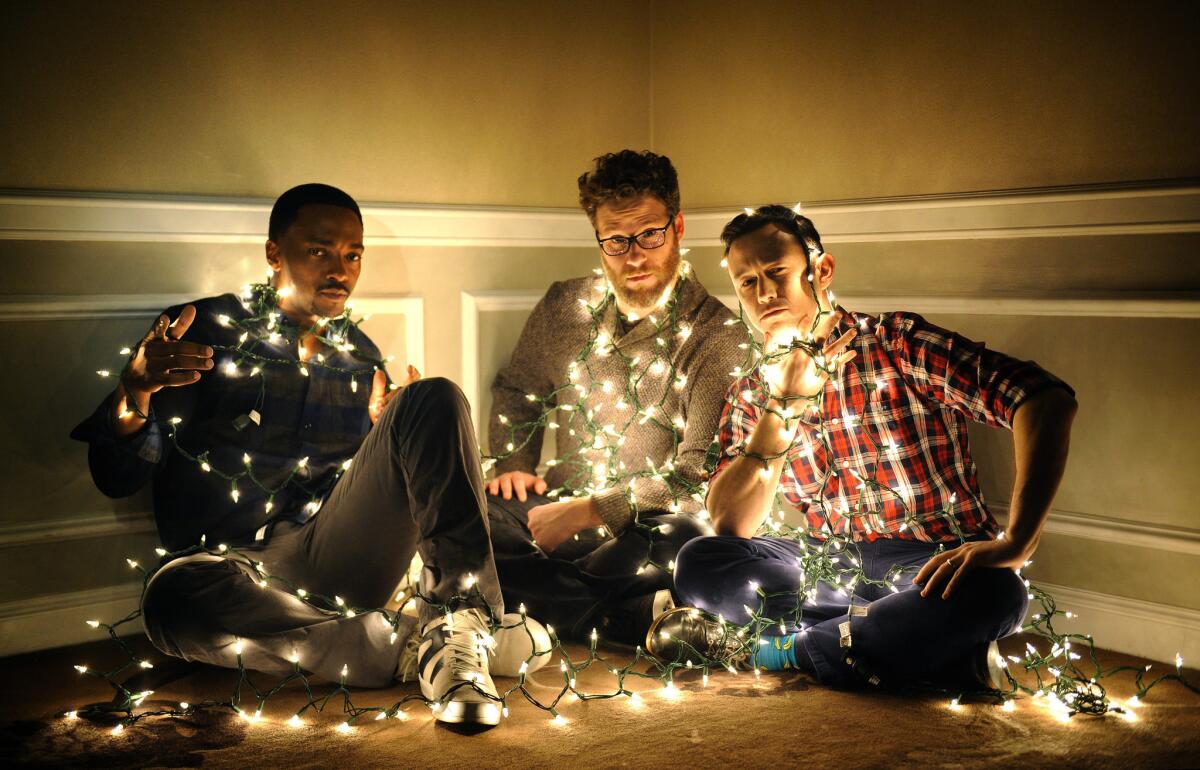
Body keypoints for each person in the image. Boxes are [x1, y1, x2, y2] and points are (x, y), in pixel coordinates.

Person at [71, 183, 548, 728]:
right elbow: (115, 476)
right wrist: (135, 394)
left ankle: (460, 619)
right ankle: (421, 645)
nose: (340, 270)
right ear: (275, 252)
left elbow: (371, 500)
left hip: (332, 557)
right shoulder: (201, 332)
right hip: (228, 569)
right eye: (320, 250)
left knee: (432, 395)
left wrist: (384, 434)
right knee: (167, 604)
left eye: (353, 255)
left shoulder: (360, 359)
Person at [649, 205, 1077, 692]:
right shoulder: (752, 390)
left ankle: (772, 649)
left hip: (931, 564)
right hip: (824, 565)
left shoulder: (898, 344)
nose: (764, 292)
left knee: (996, 593)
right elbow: (732, 524)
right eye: (747, 282)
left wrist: (1018, 541)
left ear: (821, 270)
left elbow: (1043, 398)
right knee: (701, 561)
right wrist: (784, 405)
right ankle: (897, 644)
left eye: (776, 272)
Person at [485, 150, 750, 645]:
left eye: (651, 233)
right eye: (616, 240)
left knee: (688, 542)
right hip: (553, 509)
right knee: (474, 515)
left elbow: (698, 478)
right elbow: (517, 389)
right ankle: (625, 616)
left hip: (646, 529)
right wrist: (513, 463)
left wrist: (590, 511)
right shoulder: (566, 306)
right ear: (598, 239)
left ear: (678, 227)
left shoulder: (718, 338)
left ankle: (543, 604)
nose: (635, 255)